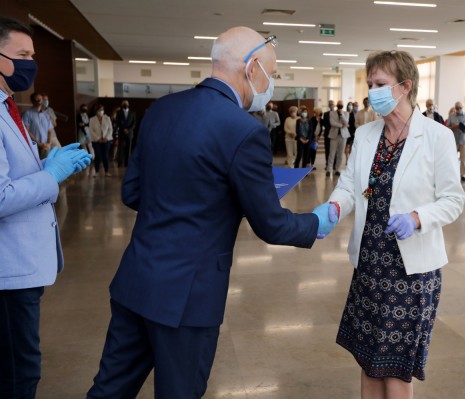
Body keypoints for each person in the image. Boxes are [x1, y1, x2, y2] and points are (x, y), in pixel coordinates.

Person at [86, 26, 336, 399]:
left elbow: (133, 191)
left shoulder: (162, 109)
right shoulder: (243, 131)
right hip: (188, 295)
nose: (274, 82)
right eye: (273, 72)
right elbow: (270, 224)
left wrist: (194, 201)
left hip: (136, 278)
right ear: (252, 67)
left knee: (109, 389)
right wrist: (315, 223)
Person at [317, 50, 464, 399]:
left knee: (396, 369)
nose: (373, 91)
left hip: (410, 272)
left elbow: (453, 200)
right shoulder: (366, 134)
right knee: (369, 362)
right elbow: (349, 186)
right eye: (370, 84)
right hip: (370, 266)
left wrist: (417, 218)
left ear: (405, 86)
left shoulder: (436, 136)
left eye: (380, 84)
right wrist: (334, 207)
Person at [0, 16, 91, 398]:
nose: (30, 64)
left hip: (21, 266)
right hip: (7, 272)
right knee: (19, 372)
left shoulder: (7, 106)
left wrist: (45, 165)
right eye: (22, 55)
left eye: (32, 55)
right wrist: (51, 175)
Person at [21, 92, 53, 159]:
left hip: (45, 146)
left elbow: (50, 131)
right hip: (33, 146)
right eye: (36, 99)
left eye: (40, 99)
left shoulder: (46, 115)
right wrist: (39, 144)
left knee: (45, 165)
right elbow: (26, 130)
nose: (39, 101)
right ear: (32, 101)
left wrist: (49, 143)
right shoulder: (27, 114)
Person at [447, 101, 465, 181]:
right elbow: (447, 128)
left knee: (463, 159)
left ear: (462, 107)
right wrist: (454, 127)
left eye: (460, 108)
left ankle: (463, 174)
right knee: (453, 158)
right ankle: (453, 174)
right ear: (455, 108)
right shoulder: (451, 116)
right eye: (457, 108)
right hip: (454, 140)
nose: (459, 109)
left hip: (464, 139)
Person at [89, 103, 113, 177]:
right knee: (98, 155)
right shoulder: (92, 119)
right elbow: (91, 130)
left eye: (102, 110)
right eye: (99, 110)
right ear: (96, 111)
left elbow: (110, 129)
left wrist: (106, 137)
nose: (101, 111)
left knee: (105, 155)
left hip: (106, 140)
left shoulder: (107, 118)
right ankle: (96, 171)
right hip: (96, 141)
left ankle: (106, 171)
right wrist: (98, 138)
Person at [327, 100, 349, 176]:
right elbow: (332, 123)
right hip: (334, 135)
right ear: (336, 105)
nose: (340, 106)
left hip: (343, 136)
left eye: (341, 105)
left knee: (340, 154)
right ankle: (329, 169)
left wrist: (341, 114)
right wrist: (341, 126)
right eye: (339, 105)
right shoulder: (332, 113)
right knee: (332, 153)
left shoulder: (346, 113)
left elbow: (346, 122)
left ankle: (338, 169)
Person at [116, 100, 136, 167]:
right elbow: (117, 122)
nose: (125, 104)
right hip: (121, 132)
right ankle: (120, 162)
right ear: (122, 104)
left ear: (128, 104)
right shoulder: (119, 113)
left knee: (128, 148)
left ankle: (127, 162)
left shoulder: (132, 113)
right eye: (124, 103)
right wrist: (123, 129)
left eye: (126, 103)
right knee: (120, 148)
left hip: (129, 132)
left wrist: (129, 129)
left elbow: (134, 123)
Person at [323, 99, 335, 169]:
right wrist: (330, 129)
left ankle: (334, 164)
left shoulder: (337, 113)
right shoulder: (325, 114)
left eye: (332, 104)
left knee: (334, 150)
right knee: (327, 150)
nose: (331, 105)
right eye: (330, 104)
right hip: (327, 134)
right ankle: (327, 164)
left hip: (335, 134)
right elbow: (325, 124)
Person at [345, 101, 356, 165]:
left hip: (353, 131)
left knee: (352, 147)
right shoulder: (346, 113)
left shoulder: (354, 113)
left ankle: (351, 160)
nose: (350, 106)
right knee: (347, 146)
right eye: (349, 105)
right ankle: (347, 159)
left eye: (351, 105)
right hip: (346, 131)